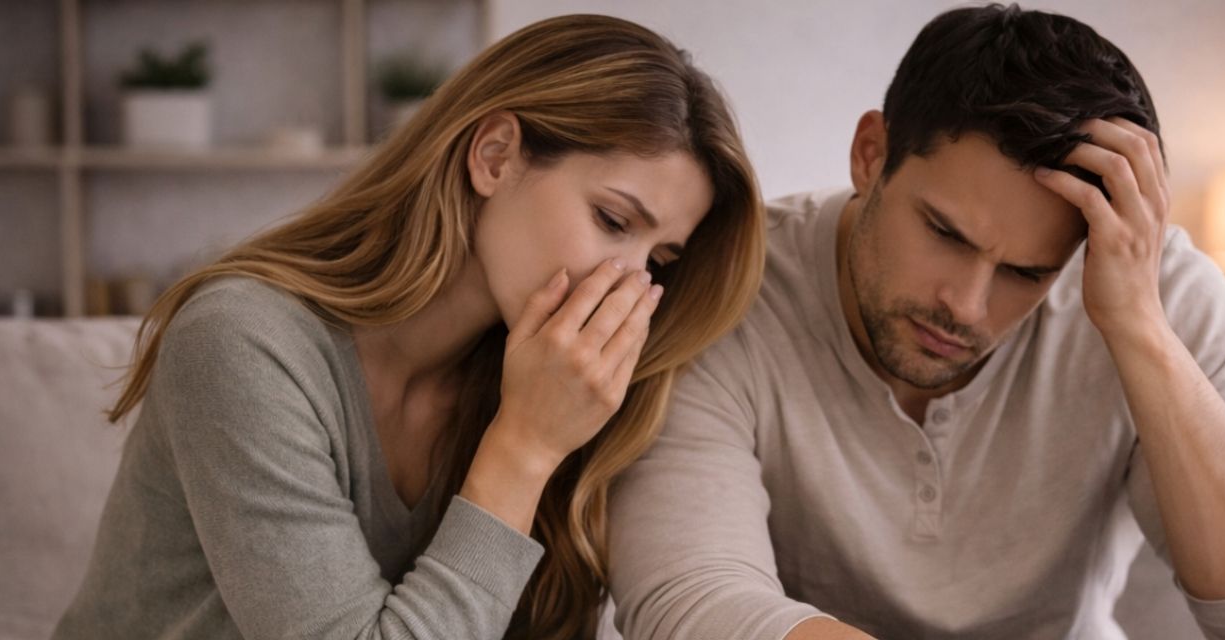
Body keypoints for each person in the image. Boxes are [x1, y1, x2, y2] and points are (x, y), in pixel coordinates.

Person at [605, 5, 1225, 639]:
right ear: (871, 153)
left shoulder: (1155, 293)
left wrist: (1139, 329)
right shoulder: (732, 284)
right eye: (945, 233)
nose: (967, 307)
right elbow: (689, 602)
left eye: (1026, 273)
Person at [53, 14, 764, 640]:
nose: (628, 284)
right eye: (612, 221)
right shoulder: (242, 343)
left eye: (659, 260)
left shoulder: (526, 377)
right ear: (494, 156)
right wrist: (523, 446)